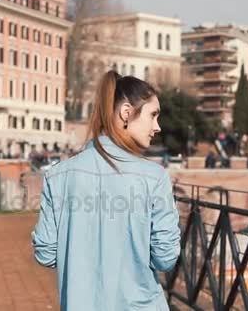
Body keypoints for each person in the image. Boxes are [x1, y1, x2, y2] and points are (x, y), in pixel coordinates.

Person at [32, 71, 181, 310]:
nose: (157, 127)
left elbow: (46, 254)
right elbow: (165, 257)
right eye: (153, 115)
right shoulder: (154, 178)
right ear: (126, 113)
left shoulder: (57, 176)